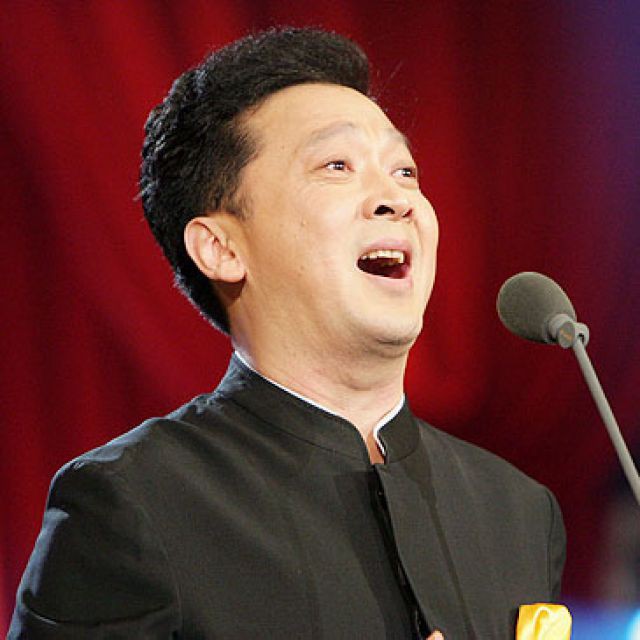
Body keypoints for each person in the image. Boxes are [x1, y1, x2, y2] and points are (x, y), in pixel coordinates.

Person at [9, 27, 565, 639]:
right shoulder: (132, 502)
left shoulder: (518, 512)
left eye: (405, 170)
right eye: (337, 166)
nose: (397, 199)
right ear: (221, 248)